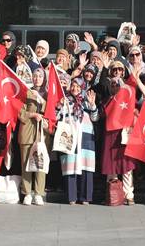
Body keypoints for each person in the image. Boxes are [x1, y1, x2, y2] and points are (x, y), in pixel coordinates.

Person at [55, 77, 99, 205]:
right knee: (70, 166)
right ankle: (71, 197)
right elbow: (56, 116)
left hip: (85, 139)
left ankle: (85, 197)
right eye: (73, 86)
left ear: (82, 88)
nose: (75, 89)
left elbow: (95, 118)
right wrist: (59, 106)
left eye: (78, 87)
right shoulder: (66, 101)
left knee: (86, 167)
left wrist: (93, 105)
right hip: (70, 137)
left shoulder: (86, 102)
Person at [100, 78, 136, 206]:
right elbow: (102, 114)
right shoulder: (107, 100)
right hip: (111, 135)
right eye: (113, 85)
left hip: (123, 135)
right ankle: (113, 193)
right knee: (111, 165)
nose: (115, 87)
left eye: (117, 85)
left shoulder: (128, 99)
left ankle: (128, 194)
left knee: (126, 166)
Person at [18, 67, 49, 205]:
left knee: (40, 163)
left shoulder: (48, 94)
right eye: (35, 76)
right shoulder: (26, 92)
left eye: (40, 76)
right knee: (26, 163)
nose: (37, 78)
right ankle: (27, 193)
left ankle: (38, 193)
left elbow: (50, 113)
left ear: (44, 79)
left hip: (41, 133)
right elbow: (19, 112)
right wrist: (32, 115)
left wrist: (42, 101)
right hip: (27, 131)